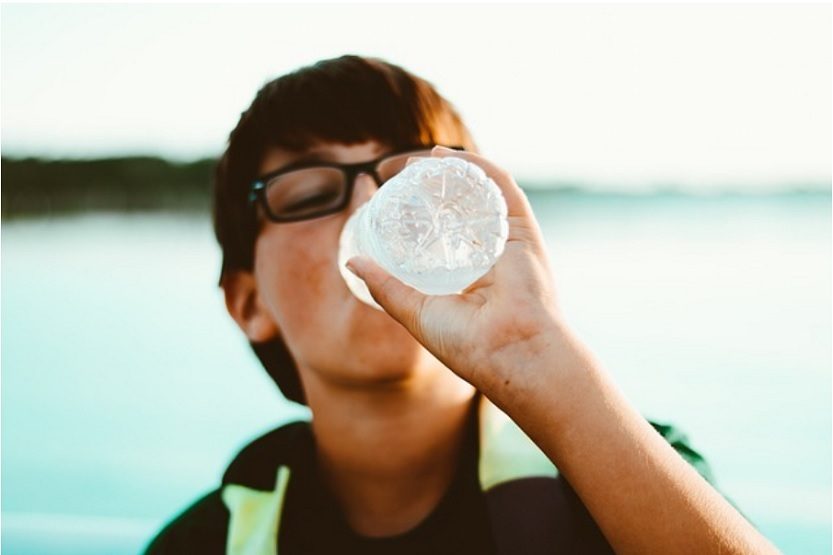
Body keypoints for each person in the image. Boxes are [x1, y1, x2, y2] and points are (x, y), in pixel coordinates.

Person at [144, 55, 777, 554]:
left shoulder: (631, 477)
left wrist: (536, 355)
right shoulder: (202, 544)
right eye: (311, 191)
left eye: (415, 181)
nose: (375, 208)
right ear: (249, 300)